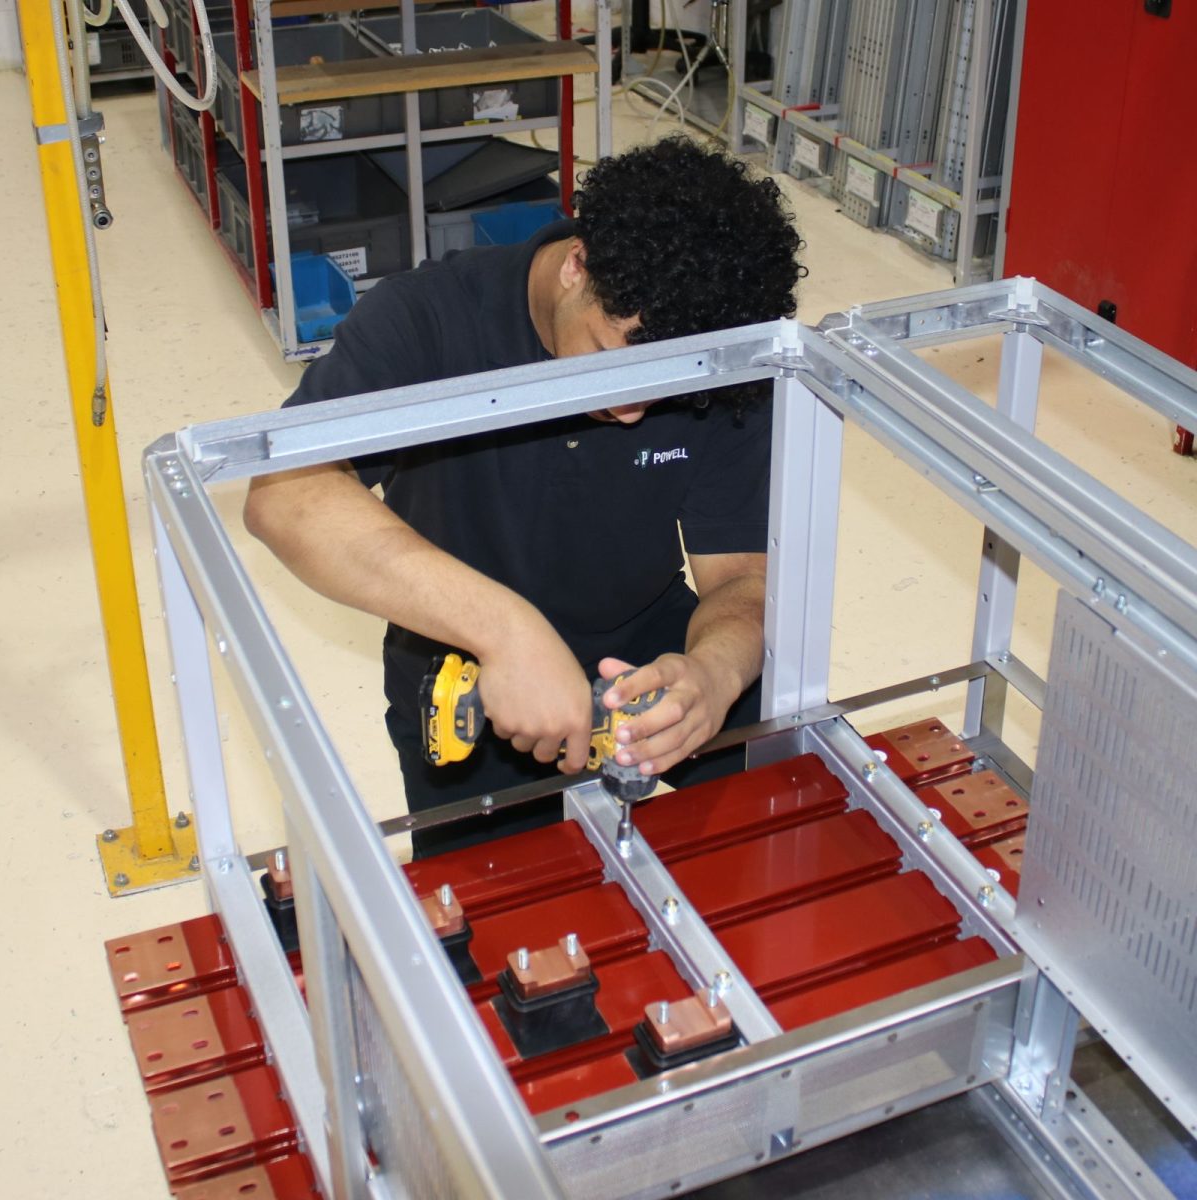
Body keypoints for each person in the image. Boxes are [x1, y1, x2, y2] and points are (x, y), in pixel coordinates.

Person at [244, 135, 805, 856]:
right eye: (610, 359)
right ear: (578, 265)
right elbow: (285, 494)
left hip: (643, 642)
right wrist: (506, 632)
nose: (631, 408)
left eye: (667, 389)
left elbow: (743, 575)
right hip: (461, 660)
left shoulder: (718, 344)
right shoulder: (427, 318)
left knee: (797, 821)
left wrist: (715, 672)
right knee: (502, 904)